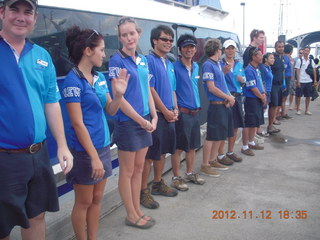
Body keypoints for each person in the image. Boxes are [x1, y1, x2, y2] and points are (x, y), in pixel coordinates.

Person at [0, 1, 73, 239]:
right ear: (2, 12)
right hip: (4, 157)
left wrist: (62, 145)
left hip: (38, 155)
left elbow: (51, 102)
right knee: (2, 225)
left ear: (35, 17)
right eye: (14, 10)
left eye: (27, 12)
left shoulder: (42, 56)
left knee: (37, 215)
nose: (21, 17)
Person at [61, 26, 128, 239]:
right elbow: (77, 124)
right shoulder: (73, 81)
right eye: (100, 49)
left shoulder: (99, 78)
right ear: (88, 51)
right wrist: (93, 158)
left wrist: (118, 96)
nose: (104, 54)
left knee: (97, 198)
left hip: (103, 145)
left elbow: (110, 110)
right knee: (84, 202)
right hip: (84, 151)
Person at [109, 17, 157, 229]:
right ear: (120, 37)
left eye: (131, 33)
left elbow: (146, 91)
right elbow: (119, 99)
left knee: (138, 169)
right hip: (128, 124)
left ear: (138, 33)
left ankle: (137, 209)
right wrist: (141, 120)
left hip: (145, 121)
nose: (128, 38)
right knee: (127, 171)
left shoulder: (143, 60)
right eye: (124, 34)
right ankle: (130, 214)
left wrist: (153, 116)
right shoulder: (116, 61)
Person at [140, 25, 178, 209]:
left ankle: (157, 183)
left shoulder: (169, 64)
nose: (168, 43)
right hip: (156, 116)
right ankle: (143, 191)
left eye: (171, 40)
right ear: (155, 40)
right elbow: (150, 89)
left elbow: (172, 89)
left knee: (162, 153)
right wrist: (165, 111)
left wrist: (175, 109)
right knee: (149, 155)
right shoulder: (149, 61)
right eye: (164, 39)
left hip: (169, 115)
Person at [170, 34, 205, 191]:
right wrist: (176, 109)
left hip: (195, 113)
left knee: (192, 147)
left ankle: (190, 173)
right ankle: (176, 177)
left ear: (195, 49)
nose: (189, 50)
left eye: (192, 47)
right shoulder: (174, 68)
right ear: (180, 49)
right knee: (178, 148)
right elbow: (173, 90)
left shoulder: (196, 67)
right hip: (182, 113)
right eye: (186, 47)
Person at [200, 38, 235, 176]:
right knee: (212, 136)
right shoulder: (208, 65)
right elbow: (212, 88)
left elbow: (221, 83)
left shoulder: (218, 64)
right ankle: (205, 164)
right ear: (217, 50)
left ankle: (213, 159)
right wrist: (228, 97)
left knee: (220, 135)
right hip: (216, 105)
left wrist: (228, 97)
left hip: (223, 105)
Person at [216, 39, 245, 166]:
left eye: (232, 48)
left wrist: (242, 80)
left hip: (237, 97)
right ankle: (220, 154)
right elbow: (216, 80)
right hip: (226, 97)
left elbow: (244, 80)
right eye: (228, 48)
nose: (230, 50)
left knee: (235, 126)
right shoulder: (220, 64)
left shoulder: (239, 64)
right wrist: (224, 72)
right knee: (224, 127)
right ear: (224, 50)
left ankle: (230, 151)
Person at [241, 47, 266, 156]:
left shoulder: (257, 68)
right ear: (253, 57)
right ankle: (245, 146)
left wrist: (263, 94)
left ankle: (251, 142)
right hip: (251, 99)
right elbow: (252, 87)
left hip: (258, 98)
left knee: (255, 122)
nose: (261, 57)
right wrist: (261, 96)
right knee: (248, 123)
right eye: (259, 55)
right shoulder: (249, 70)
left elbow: (259, 83)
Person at [268, 41, 285, 134]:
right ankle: (270, 126)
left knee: (277, 105)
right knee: (273, 105)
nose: (281, 48)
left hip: (279, 85)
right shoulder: (273, 58)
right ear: (275, 47)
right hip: (273, 85)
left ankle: (272, 123)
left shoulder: (281, 58)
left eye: (282, 47)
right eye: (279, 47)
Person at [295, 46, 317, 115]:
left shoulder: (311, 61)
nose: (306, 52)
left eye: (307, 51)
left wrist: (315, 80)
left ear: (309, 52)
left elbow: (314, 70)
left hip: (309, 81)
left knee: (308, 96)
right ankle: (298, 109)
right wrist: (298, 81)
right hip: (301, 80)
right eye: (305, 51)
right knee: (298, 95)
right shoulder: (299, 60)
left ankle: (307, 110)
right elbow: (297, 71)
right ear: (303, 51)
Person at [278, 43, 294, 119]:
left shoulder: (287, 58)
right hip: (285, 79)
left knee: (284, 97)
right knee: (283, 97)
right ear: (291, 51)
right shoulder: (284, 58)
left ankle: (283, 112)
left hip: (287, 78)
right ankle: (280, 113)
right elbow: (283, 70)